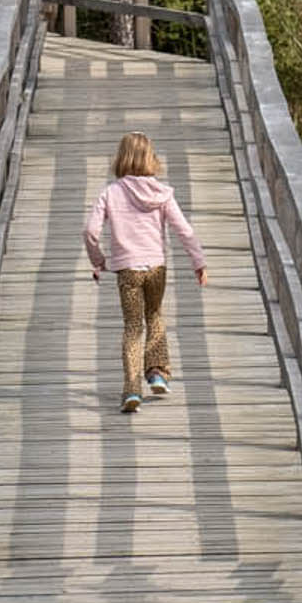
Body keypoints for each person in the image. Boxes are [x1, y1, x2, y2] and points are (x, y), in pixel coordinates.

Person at [82, 131, 208, 414]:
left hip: (127, 269)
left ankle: (132, 390)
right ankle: (158, 373)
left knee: (132, 327)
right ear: (150, 158)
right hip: (156, 267)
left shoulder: (110, 193)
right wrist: (198, 261)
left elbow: (90, 231)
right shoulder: (162, 193)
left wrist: (99, 260)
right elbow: (184, 230)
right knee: (155, 315)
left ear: (121, 159)